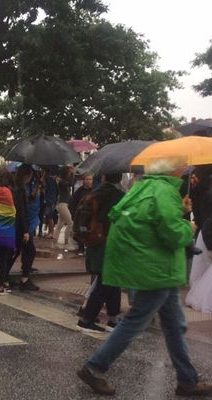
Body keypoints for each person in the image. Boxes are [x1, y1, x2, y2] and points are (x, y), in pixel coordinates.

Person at [78, 159, 212, 397]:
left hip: (151, 267)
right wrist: (187, 228)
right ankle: (95, 366)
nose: (184, 170)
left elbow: (148, 221)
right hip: (156, 269)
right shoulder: (166, 192)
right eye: (182, 166)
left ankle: (187, 379)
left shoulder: (143, 187)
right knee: (136, 320)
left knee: (174, 324)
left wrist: (179, 210)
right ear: (173, 170)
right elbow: (172, 234)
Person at [75, 173, 125, 334]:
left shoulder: (95, 192)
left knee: (111, 280)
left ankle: (113, 319)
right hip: (109, 242)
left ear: (104, 176)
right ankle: (86, 320)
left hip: (94, 242)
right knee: (106, 281)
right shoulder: (118, 196)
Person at [7, 164, 40, 291]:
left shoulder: (15, 187)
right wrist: (26, 231)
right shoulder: (19, 189)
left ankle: (4, 278)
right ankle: (23, 279)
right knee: (28, 250)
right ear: (27, 176)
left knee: (15, 252)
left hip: (15, 224)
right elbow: (21, 210)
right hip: (20, 226)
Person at [186, 166, 212, 313]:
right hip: (207, 232)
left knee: (203, 269)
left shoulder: (202, 190)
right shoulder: (207, 193)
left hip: (204, 230)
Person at [69, 173, 94, 255]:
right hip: (82, 217)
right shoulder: (79, 191)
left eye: (90, 179)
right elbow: (72, 203)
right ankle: (81, 248)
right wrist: (74, 215)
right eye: (87, 179)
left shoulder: (94, 191)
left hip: (91, 216)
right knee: (82, 232)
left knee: (90, 232)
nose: (88, 181)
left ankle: (89, 248)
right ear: (83, 180)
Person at [52, 165, 76, 250]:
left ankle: (54, 243)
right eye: (69, 171)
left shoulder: (63, 180)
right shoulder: (60, 180)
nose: (70, 173)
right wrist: (73, 174)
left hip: (64, 204)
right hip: (62, 204)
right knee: (70, 223)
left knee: (60, 225)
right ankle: (66, 242)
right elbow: (70, 183)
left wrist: (72, 174)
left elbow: (70, 183)